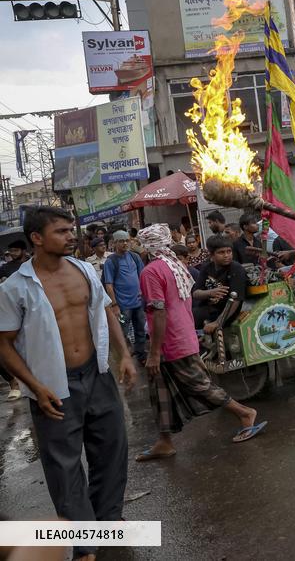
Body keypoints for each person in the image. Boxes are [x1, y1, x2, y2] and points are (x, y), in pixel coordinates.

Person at [0, 206, 136, 561]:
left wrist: (124, 355)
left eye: (71, 230)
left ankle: (106, 522)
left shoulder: (84, 270)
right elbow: (4, 343)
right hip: (54, 385)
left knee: (111, 451)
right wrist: (33, 385)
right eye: (61, 231)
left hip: (97, 373)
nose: (71, 236)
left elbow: (106, 311)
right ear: (37, 238)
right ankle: (82, 543)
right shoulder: (16, 287)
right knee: (64, 466)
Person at [136, 224, 266, 462]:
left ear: (147, 247)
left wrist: (154, 352)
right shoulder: (175, 265)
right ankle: (164, 441)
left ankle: (245, 413)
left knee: (199, 385)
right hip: (181, 334)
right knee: (160, 389)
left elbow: (158, 312)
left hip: (171, 340)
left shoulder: (151, 271)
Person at [103, 230, 148, 363]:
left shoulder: (135, 257)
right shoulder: (111, 262)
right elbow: (109, 285)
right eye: (121, 241)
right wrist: (114, 305)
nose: (124, 243)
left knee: (140, 330)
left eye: (126, 240)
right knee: (122, 332)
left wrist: (142, 292)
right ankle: (124, 358)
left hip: (138, 303)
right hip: (122, 306)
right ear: (114, 243)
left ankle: (141, 356)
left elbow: (142, 276)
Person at [192, 235, 248, 335]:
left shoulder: (236, 269)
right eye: (221, 252)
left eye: (229, 251)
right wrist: (210, 292)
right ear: (211, 255)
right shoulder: (207, 267)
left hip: (227, 314)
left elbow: (236, 300)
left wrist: (217, 322)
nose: (226, 255)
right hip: (208, 310)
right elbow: (196, 293)